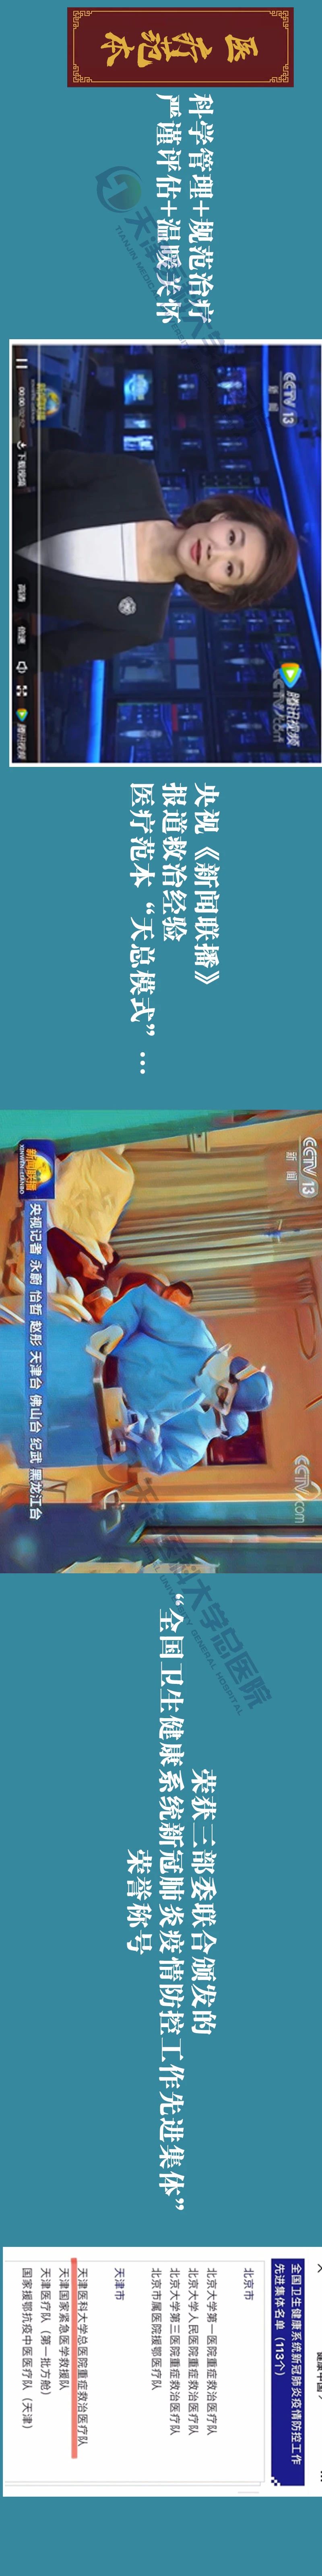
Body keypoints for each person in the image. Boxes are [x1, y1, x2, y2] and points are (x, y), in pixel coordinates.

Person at [14, 447, 299, 670]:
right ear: (223, 517)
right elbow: (27, 466)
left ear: (221, 587)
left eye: (230, 568)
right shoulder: (135, 478)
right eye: (232, 538)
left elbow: (40, 656)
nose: (217, 552)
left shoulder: (143, 625)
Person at [0, 1287, 272, 1474]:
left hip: (87, 1399)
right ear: (231, 1371)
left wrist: (137, 1425)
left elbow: (149, 1415)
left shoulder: (193, 1398)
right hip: (88, 1356)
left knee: (17, 1408)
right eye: (222, 1395)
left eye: (220, 1406)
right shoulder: (196, 1337)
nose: (212, 1400)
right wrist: (118, 1327)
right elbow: (141, 1301)